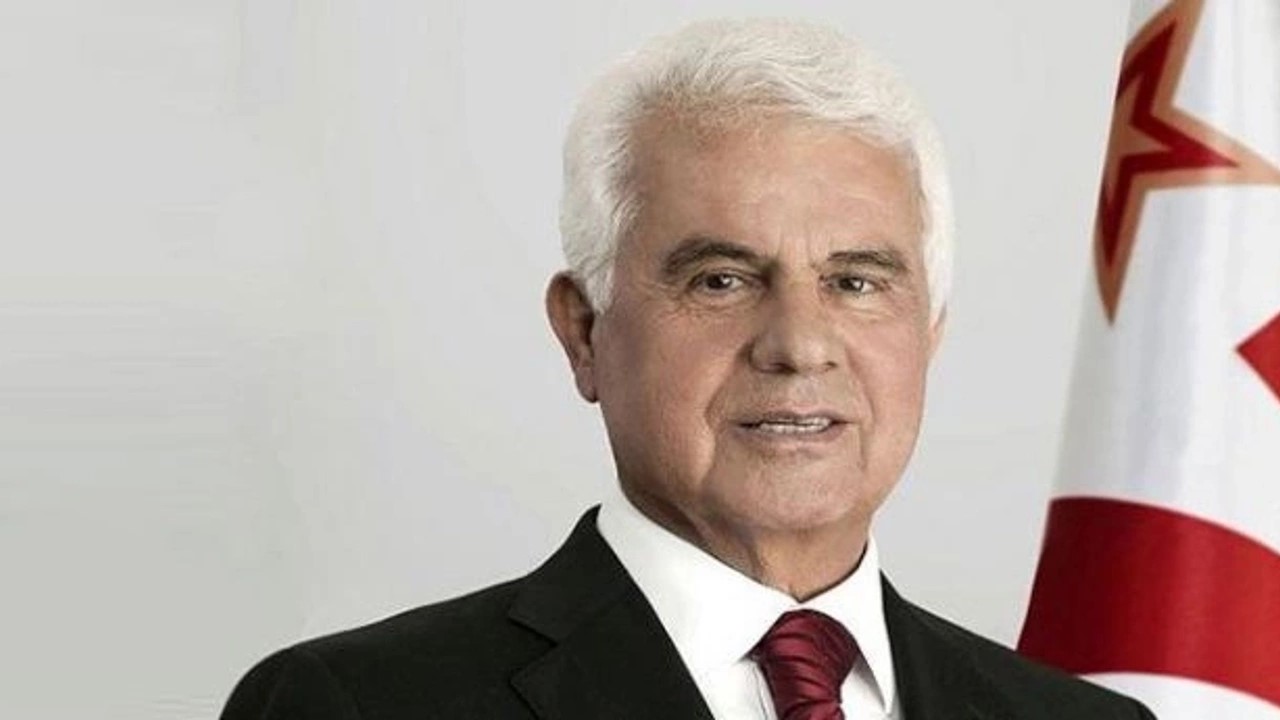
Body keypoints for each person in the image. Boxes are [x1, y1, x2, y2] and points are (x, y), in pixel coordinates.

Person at [221, 18, 1155, 720]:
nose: (800, 343)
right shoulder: (352, 705)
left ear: (929, 333)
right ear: (583, 332)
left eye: (856, 282)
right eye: (721, 279)